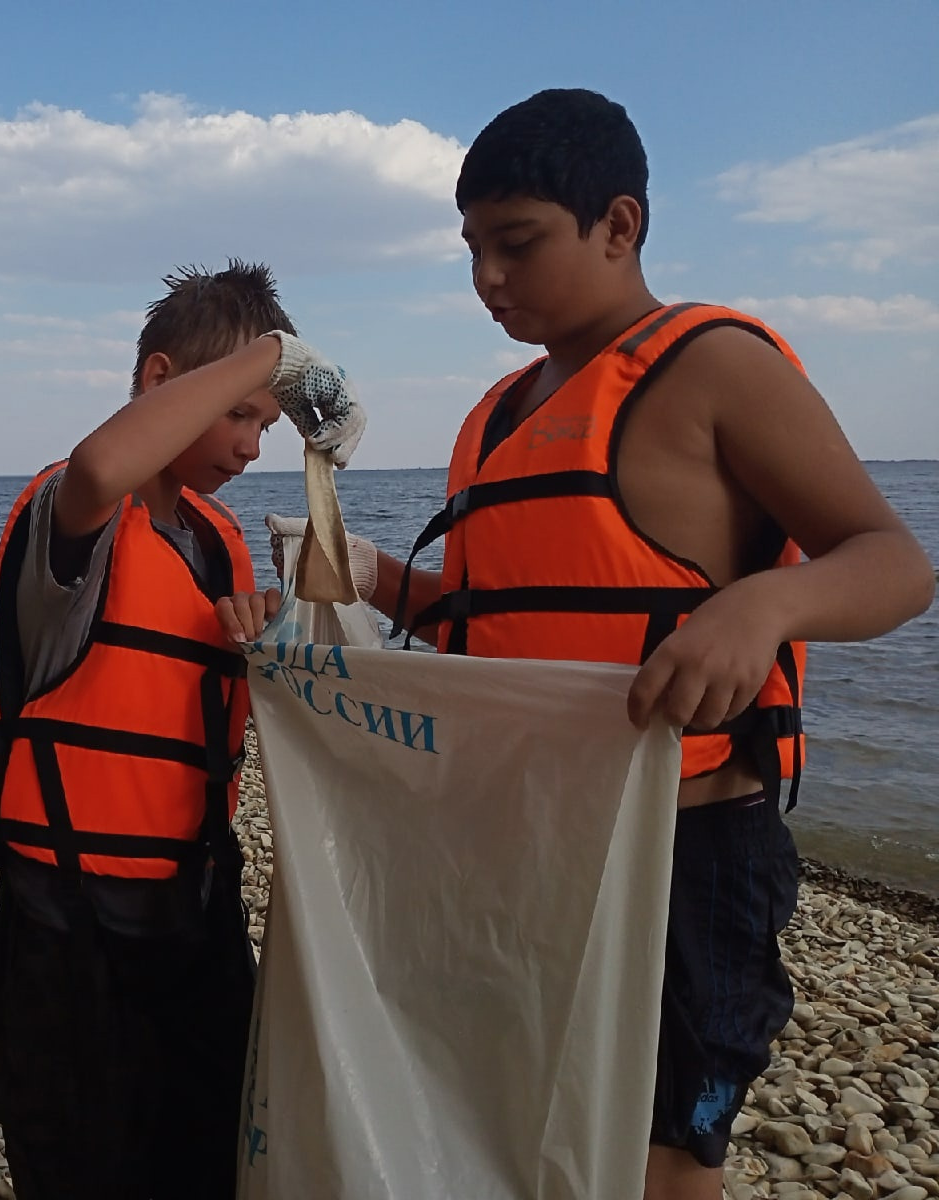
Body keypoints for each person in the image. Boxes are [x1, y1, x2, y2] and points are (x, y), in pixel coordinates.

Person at [225, 89, 935, 1200]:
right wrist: (369, 576)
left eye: (516, 243)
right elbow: (488, 628)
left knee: (662, 1147)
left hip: (683, 846)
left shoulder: (713, 365)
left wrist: (763, 608)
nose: (488, 278)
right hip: (528, 837)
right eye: (471, 249)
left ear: (619, 224)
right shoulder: (497, 415)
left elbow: (892, 562)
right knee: (523, 1111)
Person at [0, 260, 364, 1200]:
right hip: (66, 918)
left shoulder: (217, 544)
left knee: (209, 1152)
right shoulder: (75, 517)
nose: (251, 447)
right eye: (237, 415)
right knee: (84, 1162)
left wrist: (264, 634)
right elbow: (103, 467)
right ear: (159, 381)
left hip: (194, 908)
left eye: (267, 424)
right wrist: (277, 356)